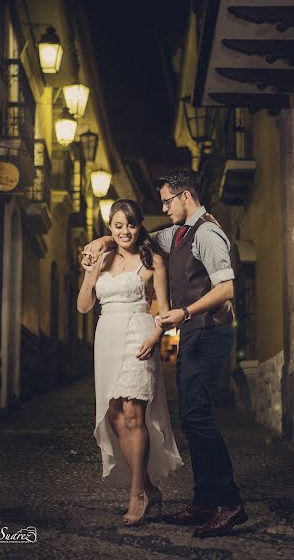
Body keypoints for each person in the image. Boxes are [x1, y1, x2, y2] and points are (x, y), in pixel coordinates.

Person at [83, 170, 247, 538]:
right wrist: (100, 240)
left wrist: (184, 312)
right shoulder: (179, 233)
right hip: (192, 331)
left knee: (198, 416)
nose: (163, 206)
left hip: (209, 331)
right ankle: (205, 501)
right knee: (190, 417)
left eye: (167, 200)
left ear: (185, 196)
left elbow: (227, 289)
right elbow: (133, 235)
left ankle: (229, 502)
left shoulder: (207, 233)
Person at [77, 199, 182, 527]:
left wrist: (155, 338)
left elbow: (165, 311)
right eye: (118, 226)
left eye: (131, 225)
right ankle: (149, 488)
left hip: (139, 335)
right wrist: (89, 273)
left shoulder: (154, 261)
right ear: (110, 227)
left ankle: (137, 495)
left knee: (134, 414)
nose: (125, 232)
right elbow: (83, 306)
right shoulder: (101, 258)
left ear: (139, 226)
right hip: (106, 337)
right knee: (114, 416)